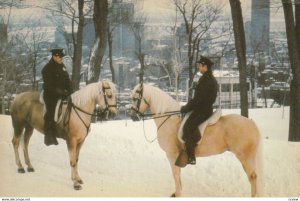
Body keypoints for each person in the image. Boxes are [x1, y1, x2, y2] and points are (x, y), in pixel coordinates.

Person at [180, 56, 218, 165]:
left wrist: (186, 107)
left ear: (205, 66)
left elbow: (199, 99)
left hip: (203, 111)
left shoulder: (207, 80)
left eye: (200, 66)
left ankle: (191, 156)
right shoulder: (206, 78)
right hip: (201, 108)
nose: (198, 68)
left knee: (188, 127)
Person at [42, 48, 73, 146]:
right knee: (50, 111)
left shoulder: (62, 66)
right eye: (59, 56)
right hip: (50, 95)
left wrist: (70, 91)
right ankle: (48, 136)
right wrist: (60, 92)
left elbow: (67, 80)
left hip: (63, 93)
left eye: (61, 56)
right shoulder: (47, 68)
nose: (61, 58)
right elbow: (49, 85)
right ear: (54, 56)